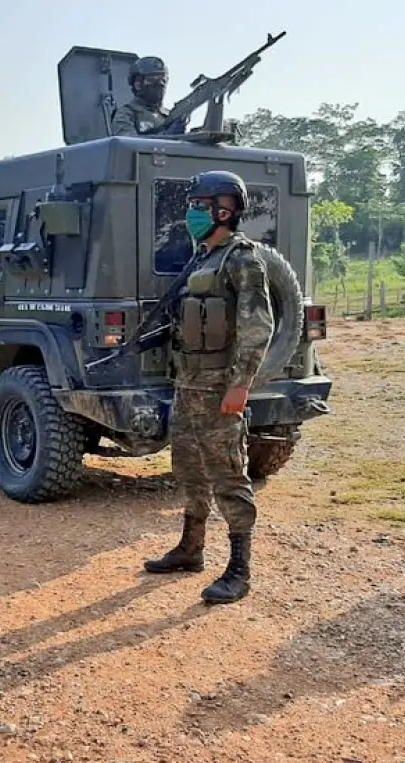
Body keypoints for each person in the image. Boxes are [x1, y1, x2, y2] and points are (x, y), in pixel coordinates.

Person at [143, 170, 274, 603]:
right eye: (192, 205)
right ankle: (190, 548)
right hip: (188, 385)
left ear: (226, 209)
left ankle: (239, 570)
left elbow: (258, 327)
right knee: (190, 470)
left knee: (229, 476)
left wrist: (240, 385)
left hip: (220, 388)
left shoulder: (243, 258)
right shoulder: (201, 259)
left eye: (201, 206)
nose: (192, 213)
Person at [111, 56, 182, 137]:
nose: (160, 84)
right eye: (154, 80)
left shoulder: (169, 116)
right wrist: (166, 136)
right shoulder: (126, 114)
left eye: (163, 79)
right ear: (138, 84)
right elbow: (129, 145)